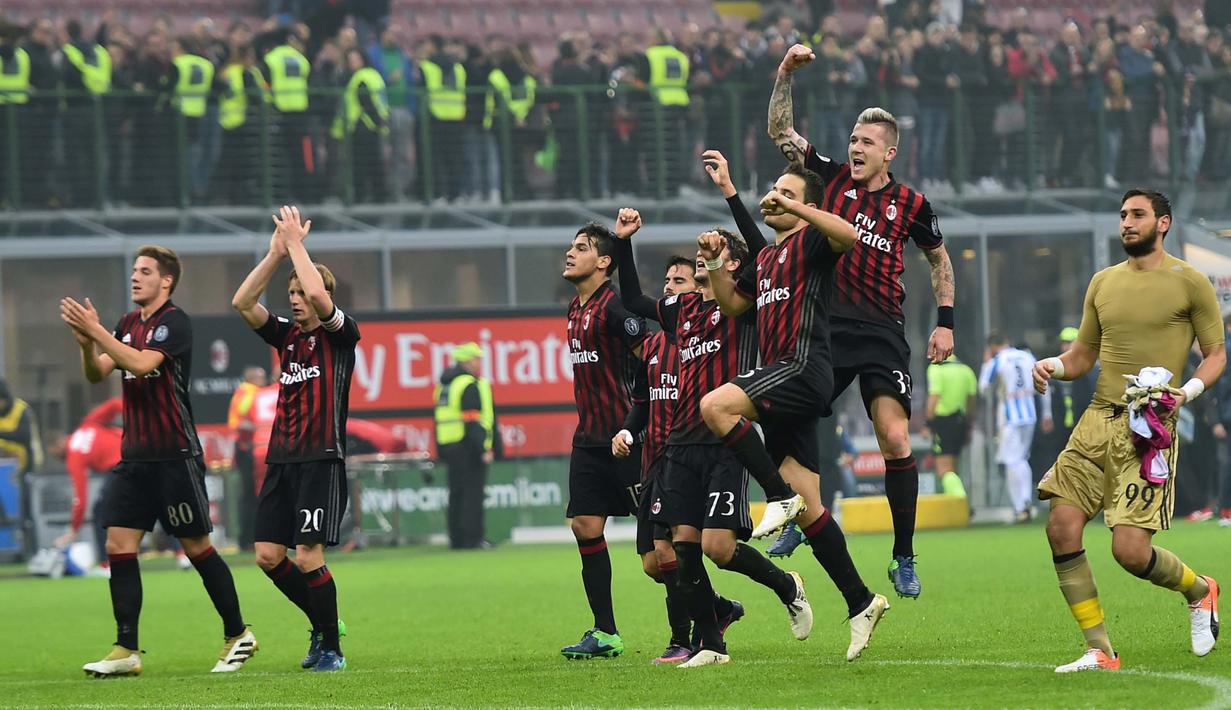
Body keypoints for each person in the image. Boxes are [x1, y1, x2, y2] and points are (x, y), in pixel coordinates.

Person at [768, 44, 957, 599]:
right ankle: (805, 516)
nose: (854, 148)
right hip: (825, 328)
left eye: (866, 142)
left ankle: (902, 556)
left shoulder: (913, 204)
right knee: (792, 417)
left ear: (889, 153)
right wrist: (784, 74)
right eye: (852, 139)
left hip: (880, 333)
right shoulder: (829, 182)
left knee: (895, 438)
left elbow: (939, 259)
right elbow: (781, 131)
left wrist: (945, 322)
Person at [699, 153, 890, 663]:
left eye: (786, 192)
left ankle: (776, 495)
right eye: (773, 190)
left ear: (806, 205)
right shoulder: (764, 259)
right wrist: (717, 263)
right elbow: (733, 306)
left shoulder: (810, 242)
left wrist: (798, 208)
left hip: (802, 370)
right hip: (784, 384)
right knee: (813, 510)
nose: (774, 196)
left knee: (715, 406)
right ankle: (862, 600)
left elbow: (848, 235)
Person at [1033, 188, 1224, 672]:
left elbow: (1216, 353)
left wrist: (1189, 392)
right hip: (1097, 419)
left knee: (1130, 552)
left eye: (1137, 215)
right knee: (1061, 526)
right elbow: (1082, 356)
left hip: (1151, 428)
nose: (1126, 223)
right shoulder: (1102, 282)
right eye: (1122, 215)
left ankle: (1200, 591)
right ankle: (1100, 650)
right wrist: (1052, 366)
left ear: (1164, 223)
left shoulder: (1190, 281)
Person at [612, 207, 808, 668]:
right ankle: (712, 647)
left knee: (717, 548)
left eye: (712, 251)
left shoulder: (741, 305)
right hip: (680, 444)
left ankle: (787, 586)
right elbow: (635, 301)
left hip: (724, 442)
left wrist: (727, 228)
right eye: (701, 252)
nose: (701, 256)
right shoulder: (683, 311)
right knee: (681, 549)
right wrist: (622, 243)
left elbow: (760, 255)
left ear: (731, 262)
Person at [60, 245, 256, 677]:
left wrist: (98, 332)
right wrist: (87, 345)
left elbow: (144, 365)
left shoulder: (174, 323)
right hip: (136, 458)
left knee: (197, 547)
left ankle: (237, 633)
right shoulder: (127, 324)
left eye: (144, 271)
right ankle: (126, 649)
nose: (135, 277)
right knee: (117, 545)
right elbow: (98, 373)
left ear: (165, 281)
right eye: (133, 270)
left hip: (174, 455)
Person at [232, 206, 360, 673]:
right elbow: (243, 303)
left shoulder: (340, 334)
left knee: (308, 555)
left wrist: (298, 246)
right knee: (268, 555)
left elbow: (319, 298)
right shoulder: (286, 337)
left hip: (320, 459)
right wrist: (274, 253)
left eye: (301, 292)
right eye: (289, 293)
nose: (296, 299)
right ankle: (324, 622)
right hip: (282, 460)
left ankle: (331, 647)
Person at [611, 253, 743, 664]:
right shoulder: (652, 345)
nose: (669, 286)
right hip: (656, 462)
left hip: (695, 453)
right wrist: (630, 430)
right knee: (655, 563)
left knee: (686, 551)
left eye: (679, 280)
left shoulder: (720, 328)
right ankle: (717, 609)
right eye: (667, 279)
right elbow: (642, 402)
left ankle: (684, 640)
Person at [558, 220, 648, 660]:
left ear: (604, 262)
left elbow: (651, 363)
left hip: (625, 440)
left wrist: (636, 425)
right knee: (584, 525)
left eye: (581, 247)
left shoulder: (616, 312)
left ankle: (712, 610)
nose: (570, 253)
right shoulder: (574, 310)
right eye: (571, 246)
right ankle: (606, 632)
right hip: (589, 440)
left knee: (658, 550)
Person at [434, 342, 500, 550]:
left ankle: (457, 539)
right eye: (475, 358)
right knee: (472, 495)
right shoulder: (468, 385)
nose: (478, 362)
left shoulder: (445, 385)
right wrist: (482, 449)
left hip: (449, 445)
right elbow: (473, 420)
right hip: (467, 446)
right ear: (464, 360)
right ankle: (472, 539)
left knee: (456, 494)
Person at [980, 333, 1050, 522]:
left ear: (992, 347)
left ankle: (1020, 507)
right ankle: (1026, 501)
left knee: (1011, 460)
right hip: (1030, 414)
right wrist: (1046, 414)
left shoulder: (998, 360)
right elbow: (1044, 383)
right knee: (1021, 458)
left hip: (1009, 417)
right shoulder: (1027, 357)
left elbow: (983, 387)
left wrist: (987, 363)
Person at [54, 397, 122, 570]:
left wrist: (73, 530)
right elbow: (115, 403)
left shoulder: (74, 456)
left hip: (121, 466)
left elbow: (80, 500)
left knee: (100, 513)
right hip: (142, 453)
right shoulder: (88, 424)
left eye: (54, 452)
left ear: (60, 443)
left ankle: (105, 565)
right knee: (158, 502)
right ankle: (183, 554)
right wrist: (138, 420)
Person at [0, 377, 43, 558]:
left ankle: (31, 550)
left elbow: (23, 436)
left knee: (26, 509)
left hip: (27, 466)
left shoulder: (21, 409)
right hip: (5, 469)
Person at [925, 354, 977, 497]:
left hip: (943, 422)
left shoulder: (936, 369)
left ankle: (959, 500)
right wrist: (968, 425)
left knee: (943, 468)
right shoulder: (966, 370)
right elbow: (971, 400)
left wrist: (927, 423)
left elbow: (934, 396)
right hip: (960, 422)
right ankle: (959, 501)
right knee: (954, 466)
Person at [227, 367, 266, 551]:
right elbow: (239, 422)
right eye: (260, 377)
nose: (262, 380)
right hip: (248, 448)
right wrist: (257, 430)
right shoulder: (250, 393)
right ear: (251, 378)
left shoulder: (243, 392)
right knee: (251, 495)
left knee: (250, 495)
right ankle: (249, 539)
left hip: (246, 447)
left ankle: (249, 538)